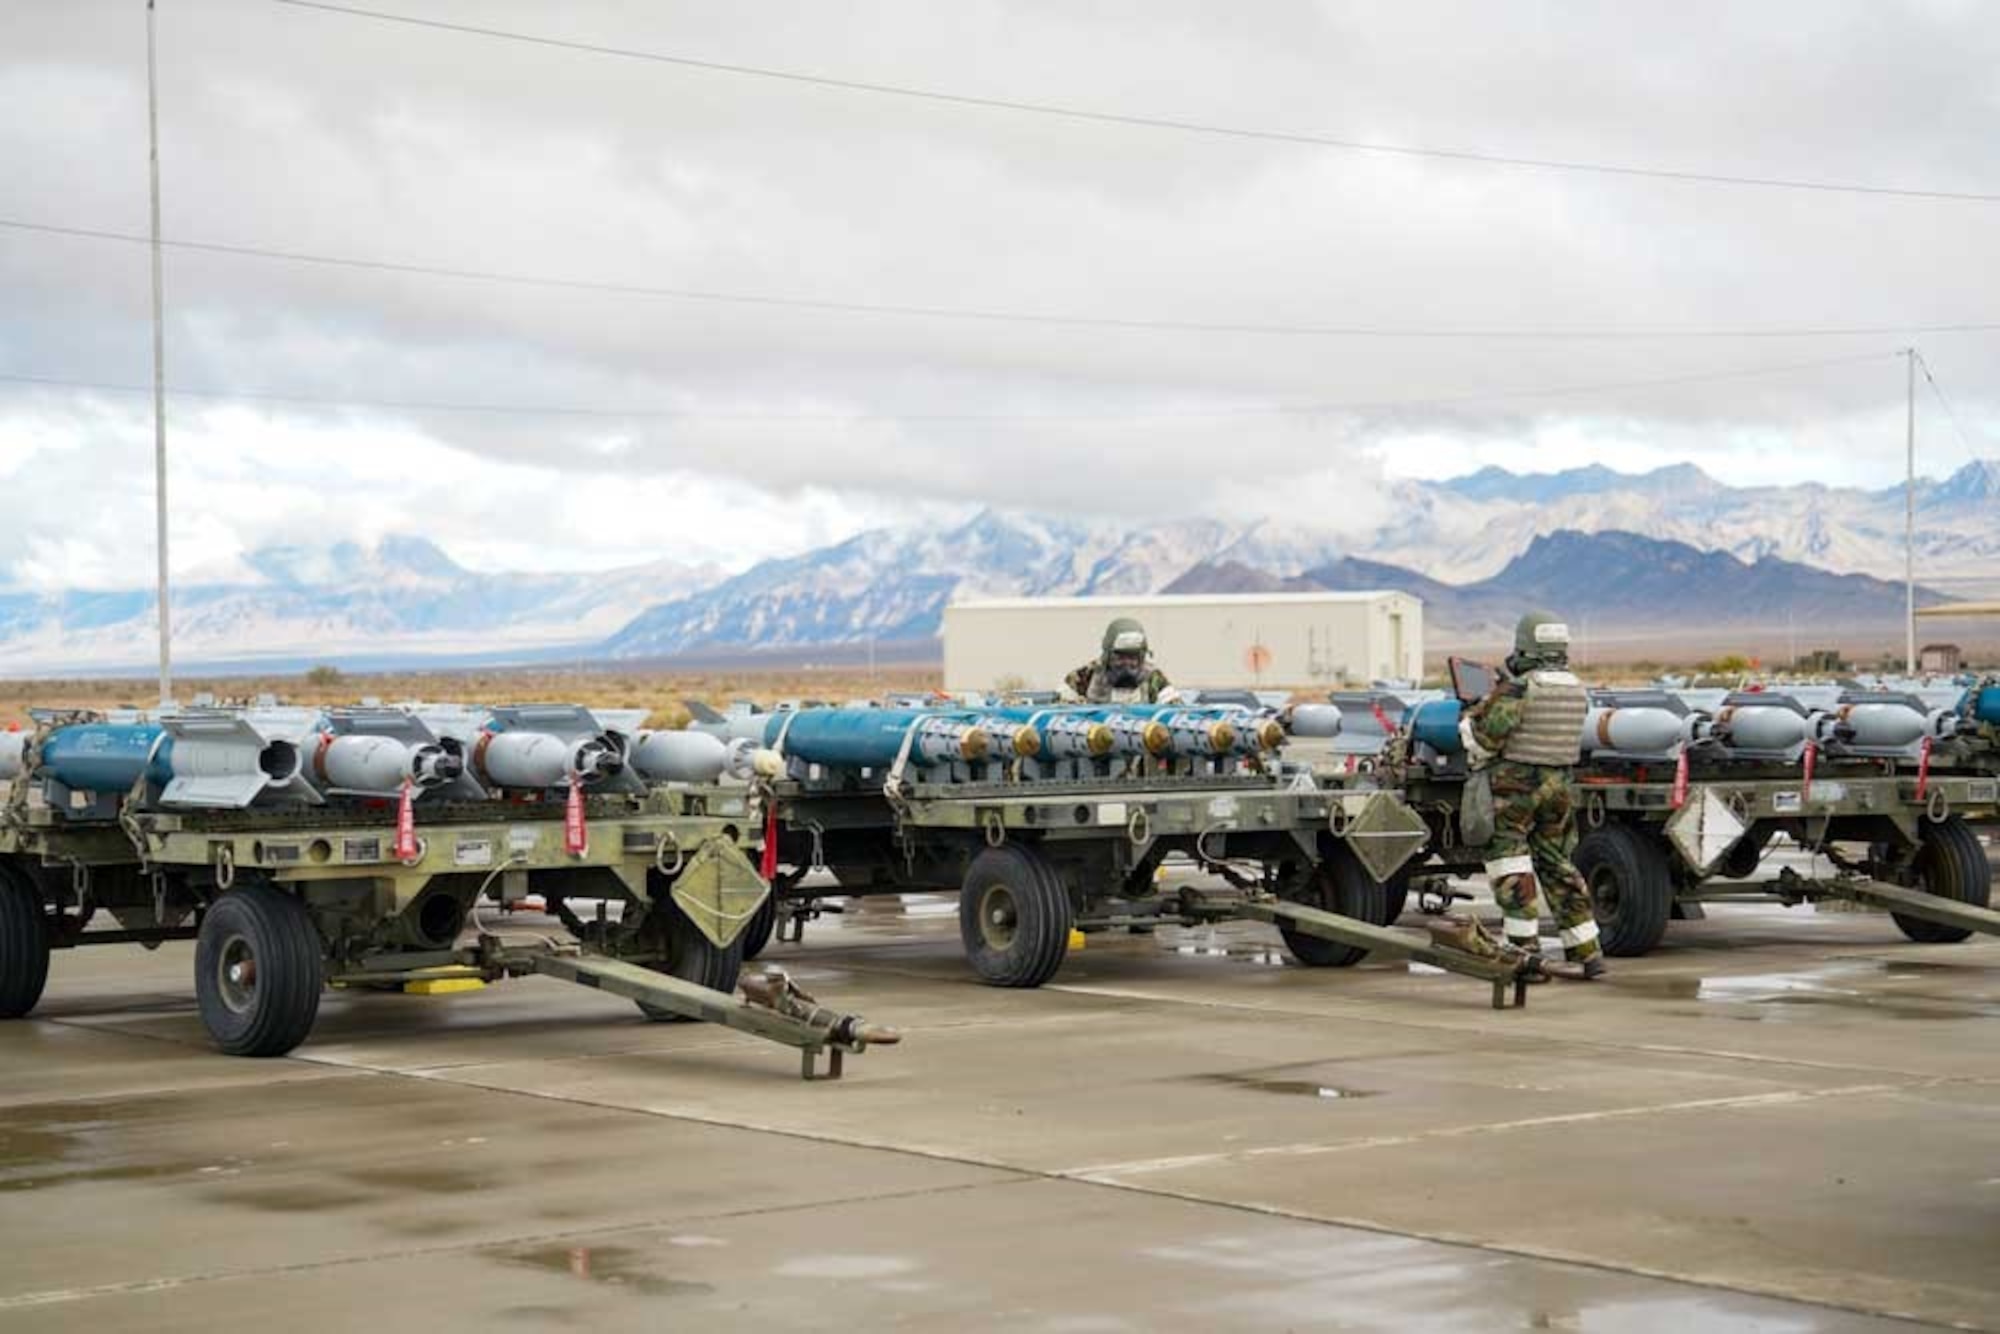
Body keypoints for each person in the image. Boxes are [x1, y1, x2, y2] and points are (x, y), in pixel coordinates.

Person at [1461, 611, 1606, 981]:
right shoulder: (1576, 688)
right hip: (1560, 788)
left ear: (1525, 646)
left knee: (1511, 867)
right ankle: (1587, 951)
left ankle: (1524, 954)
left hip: (1516, 789)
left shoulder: (1520, 688)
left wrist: (1470, 716)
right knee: (1558, 865)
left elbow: (1485, 740)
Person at [1065, 618, 1174, 704]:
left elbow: (1173, 709)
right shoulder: (1084, 676)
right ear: (1107, 656)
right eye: (1120, 657)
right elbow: (1060, 708)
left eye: (1133, 657)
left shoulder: (1155, 678)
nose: (1127, 663)